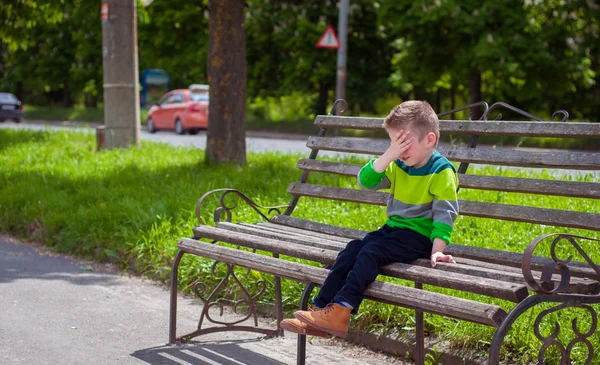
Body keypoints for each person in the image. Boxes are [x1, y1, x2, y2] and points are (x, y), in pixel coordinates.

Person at [280, 100, 459, 338]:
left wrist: (437, 250)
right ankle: (320, 311)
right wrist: (389, 155)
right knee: (352, 249)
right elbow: (366, 181)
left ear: (429, 140)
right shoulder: (398, 163)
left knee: (371, 252)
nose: (400, 151)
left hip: (420, 238)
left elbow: (445, 213)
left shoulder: (441, 171)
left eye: (405, 144)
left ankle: (342, 309)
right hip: (393, 232)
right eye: (395, 144)